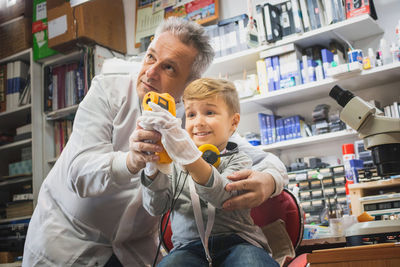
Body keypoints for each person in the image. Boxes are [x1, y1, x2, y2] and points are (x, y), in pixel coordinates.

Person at [23, 17, 287, 266]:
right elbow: (78, 174)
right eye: (150, 57)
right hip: (68, 240)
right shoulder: (108, 91)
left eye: (168, 67)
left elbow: (262, 159)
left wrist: (270, 181)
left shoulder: (191, 116)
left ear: (188, 85)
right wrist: (130, 160)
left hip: (132, 249)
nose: (150, 72)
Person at [139, 78, 280, 267]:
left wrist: (189, 157)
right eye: (191, 115)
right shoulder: (174, 164)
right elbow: (156, 207)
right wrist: (153, 166)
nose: (198, 122)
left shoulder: (240, 159)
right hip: (187, 248)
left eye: (209, 112)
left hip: (239, 244)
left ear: (233, 122)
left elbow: (221, 195)